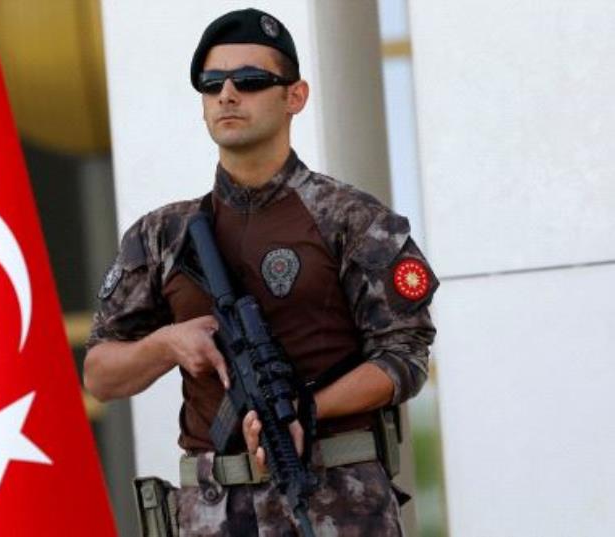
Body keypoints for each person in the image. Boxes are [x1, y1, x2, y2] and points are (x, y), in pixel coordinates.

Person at [84, 7, 437, 536]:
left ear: (295, 96)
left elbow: (405, 357)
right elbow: (100, 375)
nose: (227, 94)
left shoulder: (351, 219)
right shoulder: (162, 234)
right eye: (211, 83)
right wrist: (167, 344)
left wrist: (306, 409)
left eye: (250, 81)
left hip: (335, 500)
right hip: (213, 510)